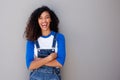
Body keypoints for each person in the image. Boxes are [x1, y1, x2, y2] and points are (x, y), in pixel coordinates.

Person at [24, 6, 66, 80]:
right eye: (40, 18)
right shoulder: (32, 39)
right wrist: (49, 58)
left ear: (51, 19)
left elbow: (60, 63)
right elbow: (30, 65)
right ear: (37, 21)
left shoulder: (59, 37)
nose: (44, 21)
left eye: (47, 17)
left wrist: (39, 61)